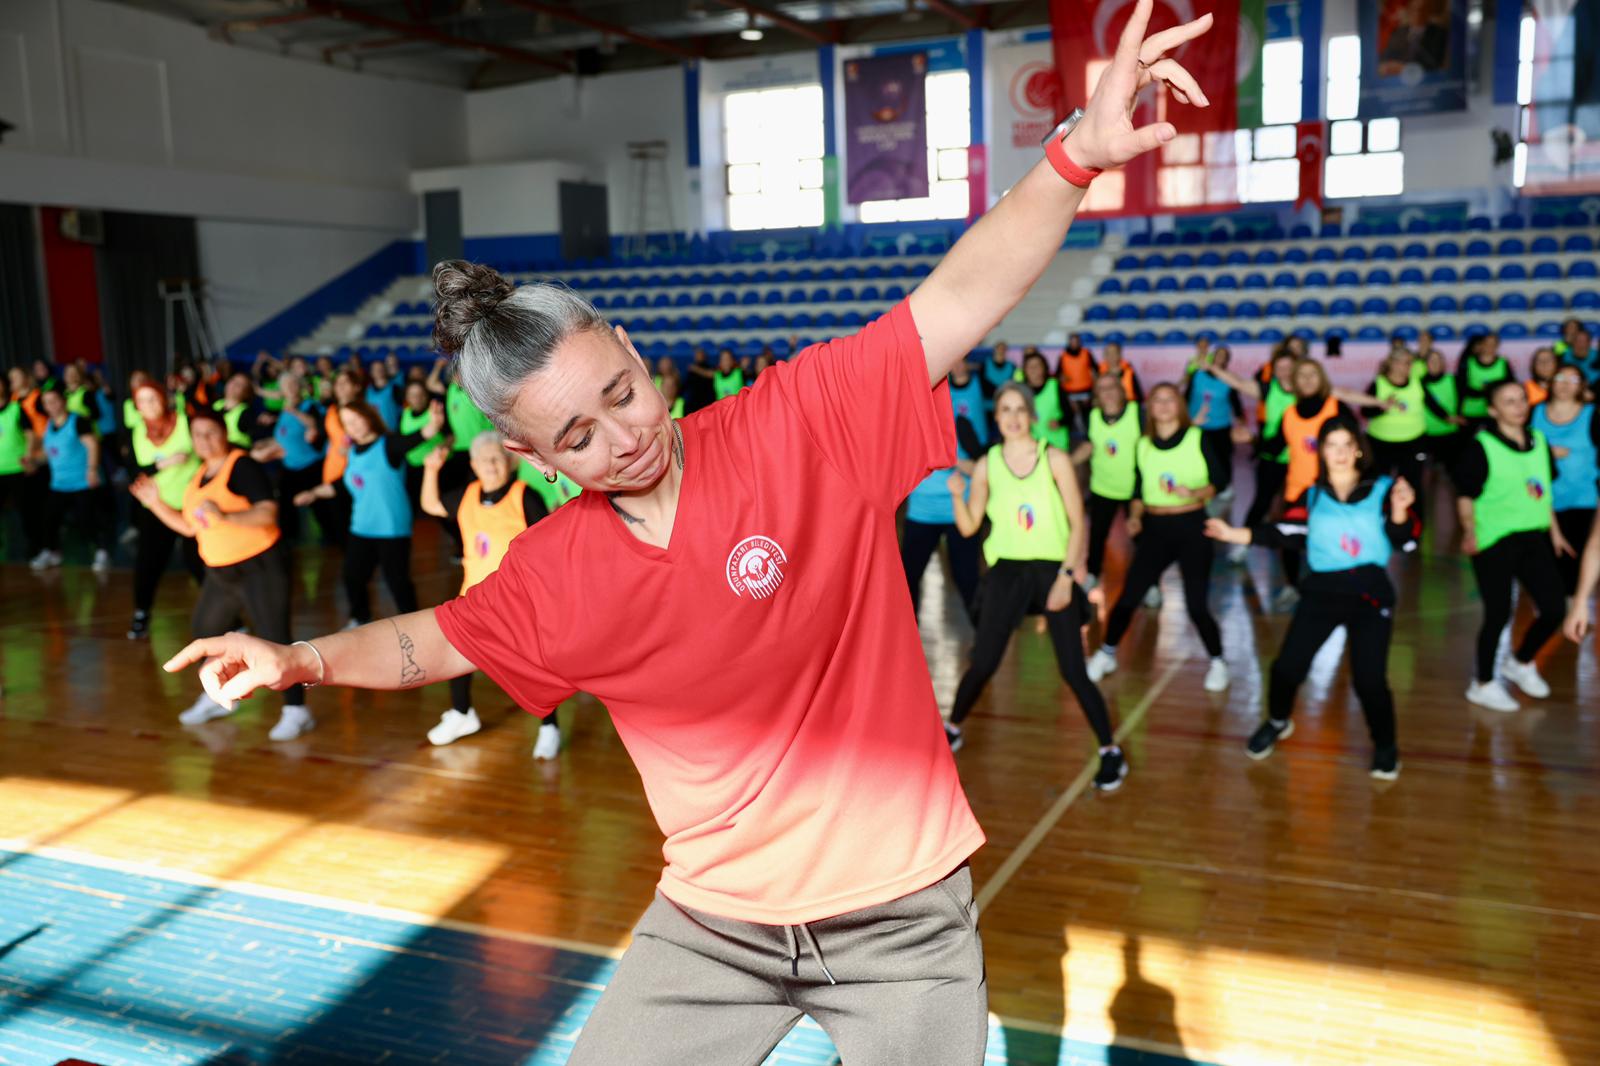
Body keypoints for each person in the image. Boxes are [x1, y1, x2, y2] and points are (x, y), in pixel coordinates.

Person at [160, 6, 1215, 1057]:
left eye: (621, 391)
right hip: (714, 928)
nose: (622, 436)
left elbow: (958, 298)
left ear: (629, 344)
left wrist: (1076, 151)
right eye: (577, 435)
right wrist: (297, 656)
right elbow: (429, 640)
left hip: (900, 916)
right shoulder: (556, 569)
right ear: (533, 460)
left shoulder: (798, 424)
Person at [1205, 416, 1418, 779]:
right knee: (1286, 668)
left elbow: (1406, 541)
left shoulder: (1384, 489)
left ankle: (1386, 747)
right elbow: (1286, 531)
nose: (1337, 453)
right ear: (1321, 451)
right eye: (1329, 445)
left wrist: (1400, 513)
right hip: (1323, 590)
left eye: (1344, 445)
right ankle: (1277, 720)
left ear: (1356, 450)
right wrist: (1233, 533)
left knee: (1369, 681)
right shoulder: (1313, 494)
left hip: (1370, 593)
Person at [944, 381, 1126, 787]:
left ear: (1032, 416)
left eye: (1019, 410)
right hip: (1006, 571)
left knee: (1073, 671)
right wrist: (958, 493)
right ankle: (953, 727)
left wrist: (1066, 577)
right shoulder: (988, 463)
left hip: (1051, 571)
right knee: (985, 662)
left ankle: (1110, 750)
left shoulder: (1055, 459)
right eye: (1004, 410)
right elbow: (971, 525)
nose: (1012, 417)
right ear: (996, 418)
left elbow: (1079, 523)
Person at [131, 409, 313, 741]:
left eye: (211, 433)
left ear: (224, 434)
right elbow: (189, 527)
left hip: (259, 567)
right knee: (205, 629)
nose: (204, 440)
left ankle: (297, 710)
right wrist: (155, 503)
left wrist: (226, 515)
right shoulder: (199, 474)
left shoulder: (242, 466)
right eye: (198, 435)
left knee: (276, 638)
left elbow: (267, 513)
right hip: (221, 573)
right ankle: (219, 694)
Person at [418, 433, 560, 759]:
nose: (491, 465)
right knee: (455, 655)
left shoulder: (525, 496)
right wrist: (431, 469)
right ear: (473, 465)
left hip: (518, 602)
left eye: (497, 458)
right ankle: (462, 713)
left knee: (532, 667)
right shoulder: (467, 496)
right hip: (474, 598)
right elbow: (430, 505)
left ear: (510, 462)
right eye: (484, 460)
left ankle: (549, 725)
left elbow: (549, 545)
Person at [1085, 382, 1231, 691]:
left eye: (1169, 399)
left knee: (1196, 606)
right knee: (1128, 599)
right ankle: (1107, 653)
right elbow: (1138, 491)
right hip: (1155, 529)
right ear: (1149, 408)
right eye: (1157, 400)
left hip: (1192, 526)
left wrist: (1195, 492)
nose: (1163, 405)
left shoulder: (1197, 438)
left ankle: (1218, 661)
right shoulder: (1143, 445)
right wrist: (1136, 518)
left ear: (1179, 405)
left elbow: (1220, 479)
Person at [1453, 379, 1571, 712]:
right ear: (1493, 410)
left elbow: (1543, 491)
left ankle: (1520, 662)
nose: (1519, 407)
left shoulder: (1540, 441)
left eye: (1522, 400)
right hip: (1495, 540)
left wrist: (1556, 532)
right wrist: (1468, 530)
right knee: (1497, 614)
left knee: (1553, 609)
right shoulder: (1482, 446)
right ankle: (1483, 683)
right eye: (1509, 402)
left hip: (1534, 536)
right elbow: (1466, 497)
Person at [294, 399, 444, 627]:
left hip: (391, 528)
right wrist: (313, 493)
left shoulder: (389, 445)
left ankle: (413, 625)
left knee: (398, 582)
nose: (352, 426)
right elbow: (344, 485)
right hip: (362, 526)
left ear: (368, 416)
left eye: (355, 419)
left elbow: (416, 438)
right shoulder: (353, 452)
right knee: (353, 576)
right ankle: (360, 617)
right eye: (346, 423)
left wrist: (433, 425)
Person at [901, 362, 985, 620]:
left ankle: (982, 641)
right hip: (921, 513)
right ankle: (908, 639)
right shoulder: (910, 425)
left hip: (957, 511)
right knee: (908, 579)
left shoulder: (962, 423)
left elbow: (979, 467)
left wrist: (952, 460)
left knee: (967, 579)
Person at [126, 382, 204, 639]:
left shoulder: (185, 420)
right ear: (136, 407)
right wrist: (164, 463)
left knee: (201, 562)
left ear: (163, 398)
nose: (149, 405)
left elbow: (207, 450)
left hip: (191, 505)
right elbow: (134, 472)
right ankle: (141, 614)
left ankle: (231, 619)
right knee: (148, 563)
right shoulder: (137, 431)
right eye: (142, 401)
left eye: (153, 398)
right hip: (157, 507)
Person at [1530, 363, 1598, 595]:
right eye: (1560, 377)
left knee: (1578, 555)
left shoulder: (1592, 413)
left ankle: (1577, 606)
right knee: (1549, 558)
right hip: (1543, 499)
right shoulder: (1534, 411)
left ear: (1582, 386)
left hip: (1584, 498)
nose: (1565, 384)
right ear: (1550, 382)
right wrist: (1547, 452)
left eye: (1573, 379)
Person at [1071, 372, 1142, 590]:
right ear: (1096, 395)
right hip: (1103, 488)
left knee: (1142, 539)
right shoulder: (1090, 417)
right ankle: (1092, 573)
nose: (1108, 392)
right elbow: (1085, 449)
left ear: (1121, 390)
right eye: (1102, 388)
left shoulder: (1137, 413)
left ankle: (1149, 584)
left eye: (1112, 386)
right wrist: (1072, 460)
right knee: (1097, 536)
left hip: (1136, 491)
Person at [33, 387, 112, 572]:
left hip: (81, 482)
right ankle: (51, 552)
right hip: (59, 484)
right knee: (49, 519)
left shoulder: (78, 421)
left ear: (63, 401)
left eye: (54, 401)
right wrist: (34, 460)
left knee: (86, 521)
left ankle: (102, 553)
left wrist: (92, 470)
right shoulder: (48, 426)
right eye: (46, 402)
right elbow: (50, 452)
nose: (50, 406)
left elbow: (93, 445)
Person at [1183, 344, 1243, 500]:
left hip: (1221, 426)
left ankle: (1225, 486)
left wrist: (1240, 420)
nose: (1220, 358)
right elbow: (1186, 396)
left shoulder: (1229, 379)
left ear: (1227, 361)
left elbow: (1236, 403)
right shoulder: (1197, 374)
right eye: (1218, 354)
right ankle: (1202, 486)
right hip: (1198, 425)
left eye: (1224, 356)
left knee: (1223, 457)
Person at [1455, 332, 1512, 426]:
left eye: (1493, 344)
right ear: (1481, 345)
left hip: (1496, 412)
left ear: (1497, 346)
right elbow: (1461, 388)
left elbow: (1509, 385)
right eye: (1487, 343)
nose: (1490, 347)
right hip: (1471, 412)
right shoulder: (1469, 362)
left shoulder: (1503, 363)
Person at [1056, 332, 1096, 434]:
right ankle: (1078, 434)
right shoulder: (1063, 356)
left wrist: (1095, 388)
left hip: (1086, 390)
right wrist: (1062, 378)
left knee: (1088, 414)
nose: (1074, 344)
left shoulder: (1087, 353)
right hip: (1070, 392)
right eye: (1072, 341)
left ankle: (1089, 432)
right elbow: (1057, 374)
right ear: (1069, 342)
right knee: (1073, 415)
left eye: (1076, 341)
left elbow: (1095, 370)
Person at [366, 359, 403, 430]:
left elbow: (402, 410)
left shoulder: (395, 388)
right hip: (375, 431)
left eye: (381, 369)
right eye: (376, 369)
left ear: (385, 370)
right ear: (371, 373)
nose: (379, 371)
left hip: (392, 431)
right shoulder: (368, 391)